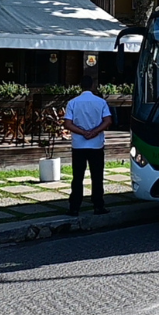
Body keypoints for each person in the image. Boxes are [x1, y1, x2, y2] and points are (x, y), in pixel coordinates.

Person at [63, 75, 111, 216]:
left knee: (77, 177)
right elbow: (108, 121)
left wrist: (83, 132)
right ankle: (98, 205)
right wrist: (94, 132)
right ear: (92, 86)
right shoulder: (100, 102)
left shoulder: (73, 102)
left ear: (80, 86)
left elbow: (67, 123)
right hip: (96, 144)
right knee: (97, 176)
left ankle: (74, 207)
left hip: (78, 145)